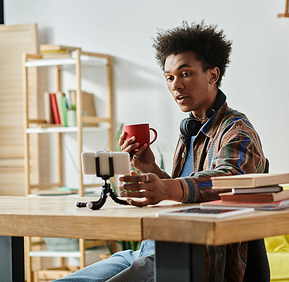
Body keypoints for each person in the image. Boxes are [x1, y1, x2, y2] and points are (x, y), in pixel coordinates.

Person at [57, 21, 267, 282]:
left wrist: (165, 189)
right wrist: (151, 170)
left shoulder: (238, 131)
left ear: (213, 75)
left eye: (185, 74)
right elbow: (185, 195)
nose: (175, 85)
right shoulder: (190, 130)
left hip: (195, 258)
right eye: (169, 77)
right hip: (152, 247)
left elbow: (227, 180)